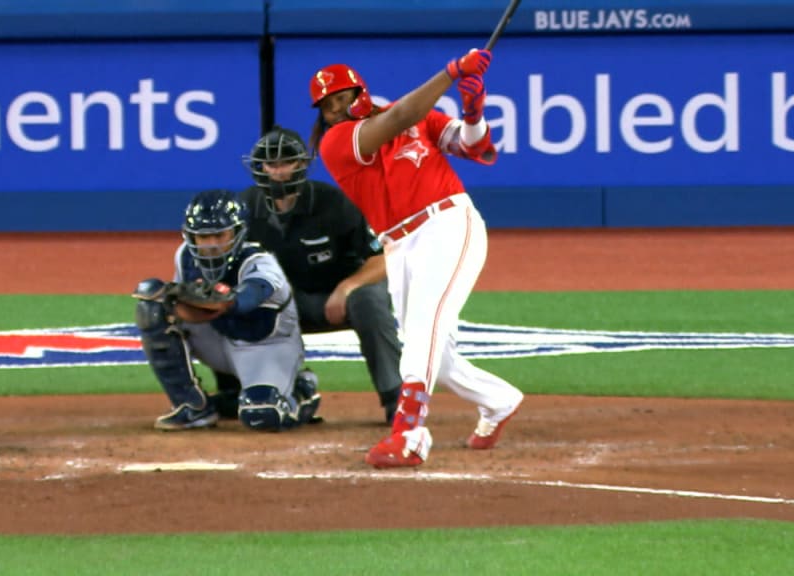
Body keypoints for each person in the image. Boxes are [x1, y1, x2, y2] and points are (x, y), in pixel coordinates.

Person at [308, 50, 524, 468]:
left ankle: (408, 434)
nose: (334, 109)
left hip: (447, 222)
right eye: (326, 105)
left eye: (340, 97)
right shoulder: (338, 141)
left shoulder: (414, 116)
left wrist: (473, 106)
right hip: (399, 245)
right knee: (433, 356)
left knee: (423, 331)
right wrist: (451, 73)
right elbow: (396, 120)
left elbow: (475, 146)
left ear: (359, 90)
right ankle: (499, 400)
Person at [239, 126, 403, 423]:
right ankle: (252, 392)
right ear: (259, 167)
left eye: (286, 162)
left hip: (342, 297)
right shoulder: (246, 208)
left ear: (302, 164)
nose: (278, 171)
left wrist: (347, 288)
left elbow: (383, 258)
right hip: (289, 302)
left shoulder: (335, 203)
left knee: (368, 301)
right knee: (239, 302)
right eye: (270, 164)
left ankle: (396, 399)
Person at [132, 189, 320, 432]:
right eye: (203, 237)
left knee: (262, 415)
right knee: (153, 309)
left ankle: (302, 390)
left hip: (265, 346)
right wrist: (167, 299)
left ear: (238, 233)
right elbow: (184, 310)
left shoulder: (260, 263)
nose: (211, 245)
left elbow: (243, 301)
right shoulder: (185, 257)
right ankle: (192, 406)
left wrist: (203, 299)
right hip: (218, 338)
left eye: (220, 235)